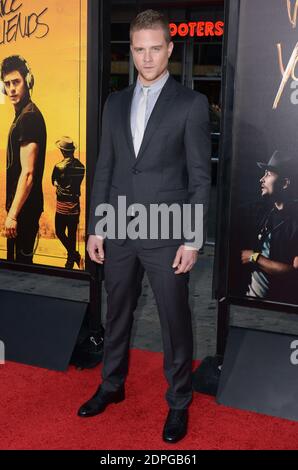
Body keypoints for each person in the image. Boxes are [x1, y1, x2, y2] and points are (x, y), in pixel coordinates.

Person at [78, 10, 211, 444]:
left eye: (156, 48)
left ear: (170, 49)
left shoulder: (190, 104)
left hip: (168, 231)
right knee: (116, 313)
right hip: (117, 228)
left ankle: (179, 402)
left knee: (175, 320)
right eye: (139, 49)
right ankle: (111, 386)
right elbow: (105, 168)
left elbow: (199, 177)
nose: (147, 57)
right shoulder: (114, 103)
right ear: (130, 50)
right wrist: (96, 226)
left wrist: (192, 239)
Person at [0, 55, 46, 264]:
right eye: (7, 84)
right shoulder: (22, 115)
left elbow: (28, 174)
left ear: (28, 81)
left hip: (24, 212)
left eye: (16, 82)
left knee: (22, 271)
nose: (11, 89)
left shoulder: (29, 117)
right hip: (21, 210)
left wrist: (13, 215)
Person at [240, 150, 298, 304]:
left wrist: (254, 258)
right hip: (250, 301)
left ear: (285, 183)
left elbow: (294, 272)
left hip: (278, 308)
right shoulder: (264, 212)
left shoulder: (295, 221)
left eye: (268, 174)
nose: (262, 179)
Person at [52, 137, 85, 269]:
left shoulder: (58, 166)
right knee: (72, 234)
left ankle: (73, 256)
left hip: (62, 205)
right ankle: (71, 260)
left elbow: (54, 181)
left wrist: (59, 184)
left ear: (62, 150)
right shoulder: (81, 167)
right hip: (75, 205)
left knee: (60, 232)